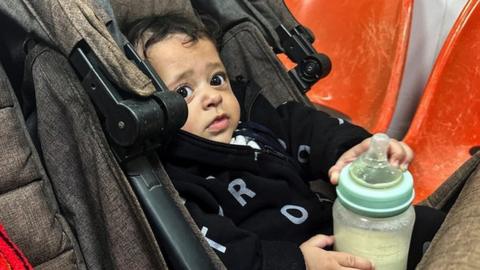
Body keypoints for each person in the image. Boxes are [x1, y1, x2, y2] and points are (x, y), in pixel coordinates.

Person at [125, 13, 443, 270]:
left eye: (216, 79)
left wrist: (352, 149)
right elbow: (220, 251)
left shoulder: (258, 121)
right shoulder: (180, 181)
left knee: (429, 225)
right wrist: (297, 262)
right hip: (291, 260)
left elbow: (309, 129)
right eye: (183, 92)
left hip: (336, 234)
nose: (212, 97)